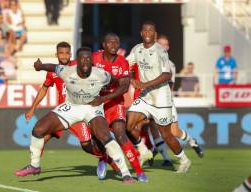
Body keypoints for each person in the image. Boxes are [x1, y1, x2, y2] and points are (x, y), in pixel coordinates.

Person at [15, 47, 136, 184]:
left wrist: (104, 98)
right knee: (38, 129)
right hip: (71, 107)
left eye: (88, 59)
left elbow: (120, 83)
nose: (85, 61)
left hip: (92, 108)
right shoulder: (67, 71)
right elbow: (52, 67)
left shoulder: (101, 74)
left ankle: (125, 173)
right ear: (77, 61)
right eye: (82, 59)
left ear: (92, 61)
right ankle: (35, 166)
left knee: (105, 136)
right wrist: (40, 66)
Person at [126, 21, 191, 173]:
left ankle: (184, 160)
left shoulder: (160, 51)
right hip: (145, 97)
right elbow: (125, 65)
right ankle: (144, 152)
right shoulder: (137, 49)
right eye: (145, 30)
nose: (148, 32)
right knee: (128, 124)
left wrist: (145, 84)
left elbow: (167, 74)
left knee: (167, 135)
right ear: (141, 33)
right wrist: (131, 79)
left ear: (154, 34)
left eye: (151, 30)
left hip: (161, 99)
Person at [92, 33, 147, 182]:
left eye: (117, 42)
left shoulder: (122, 62)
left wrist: (104, 98)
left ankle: (139, 171)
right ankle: (103, 158)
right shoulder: (94, 58)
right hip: (96, 106)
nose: (114, 45)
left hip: (115, 104)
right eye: (110, 42)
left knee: (121, 135)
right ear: (104, 45)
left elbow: (123, 88)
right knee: (99, 139)